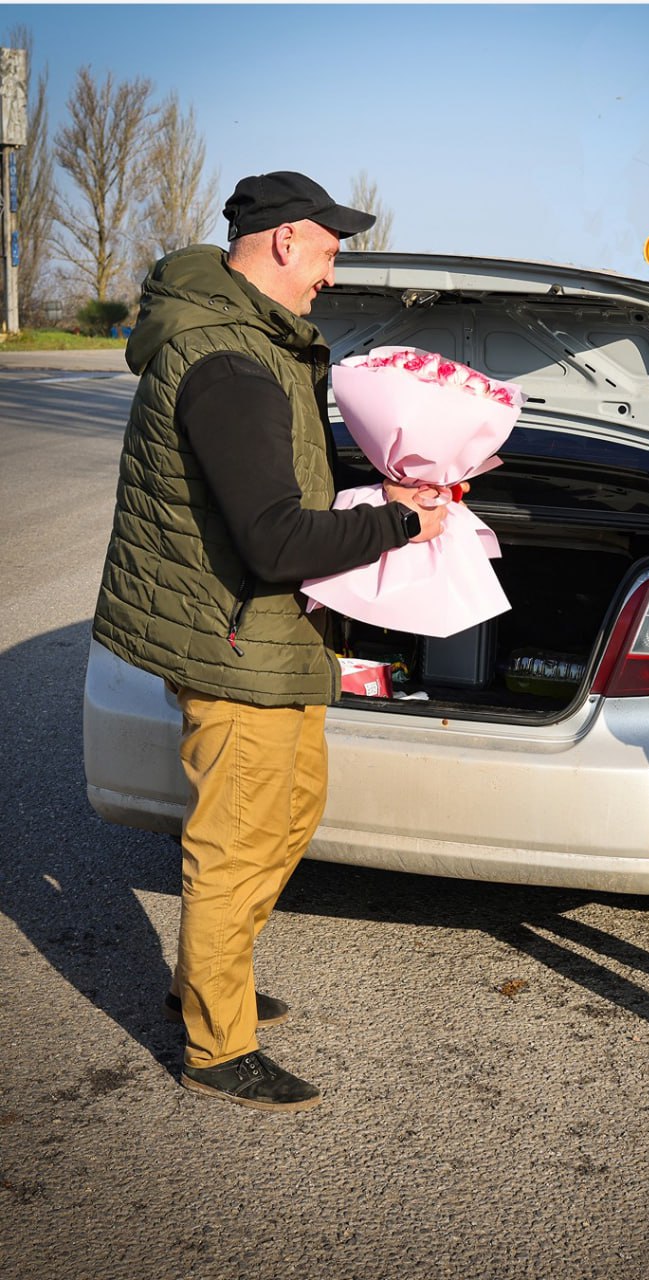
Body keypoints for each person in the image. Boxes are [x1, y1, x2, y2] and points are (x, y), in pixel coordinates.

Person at [92, 171, 447, 1112]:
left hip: (267, 629)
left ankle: (208, 980)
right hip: (234, 636)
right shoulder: (230, 362)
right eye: (331, 251)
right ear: (287, 241)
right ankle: (216, 1044)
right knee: (240, 839)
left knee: (289, 811)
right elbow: (274, 537)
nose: (334, 272)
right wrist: (399, 525)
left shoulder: (256, 343)